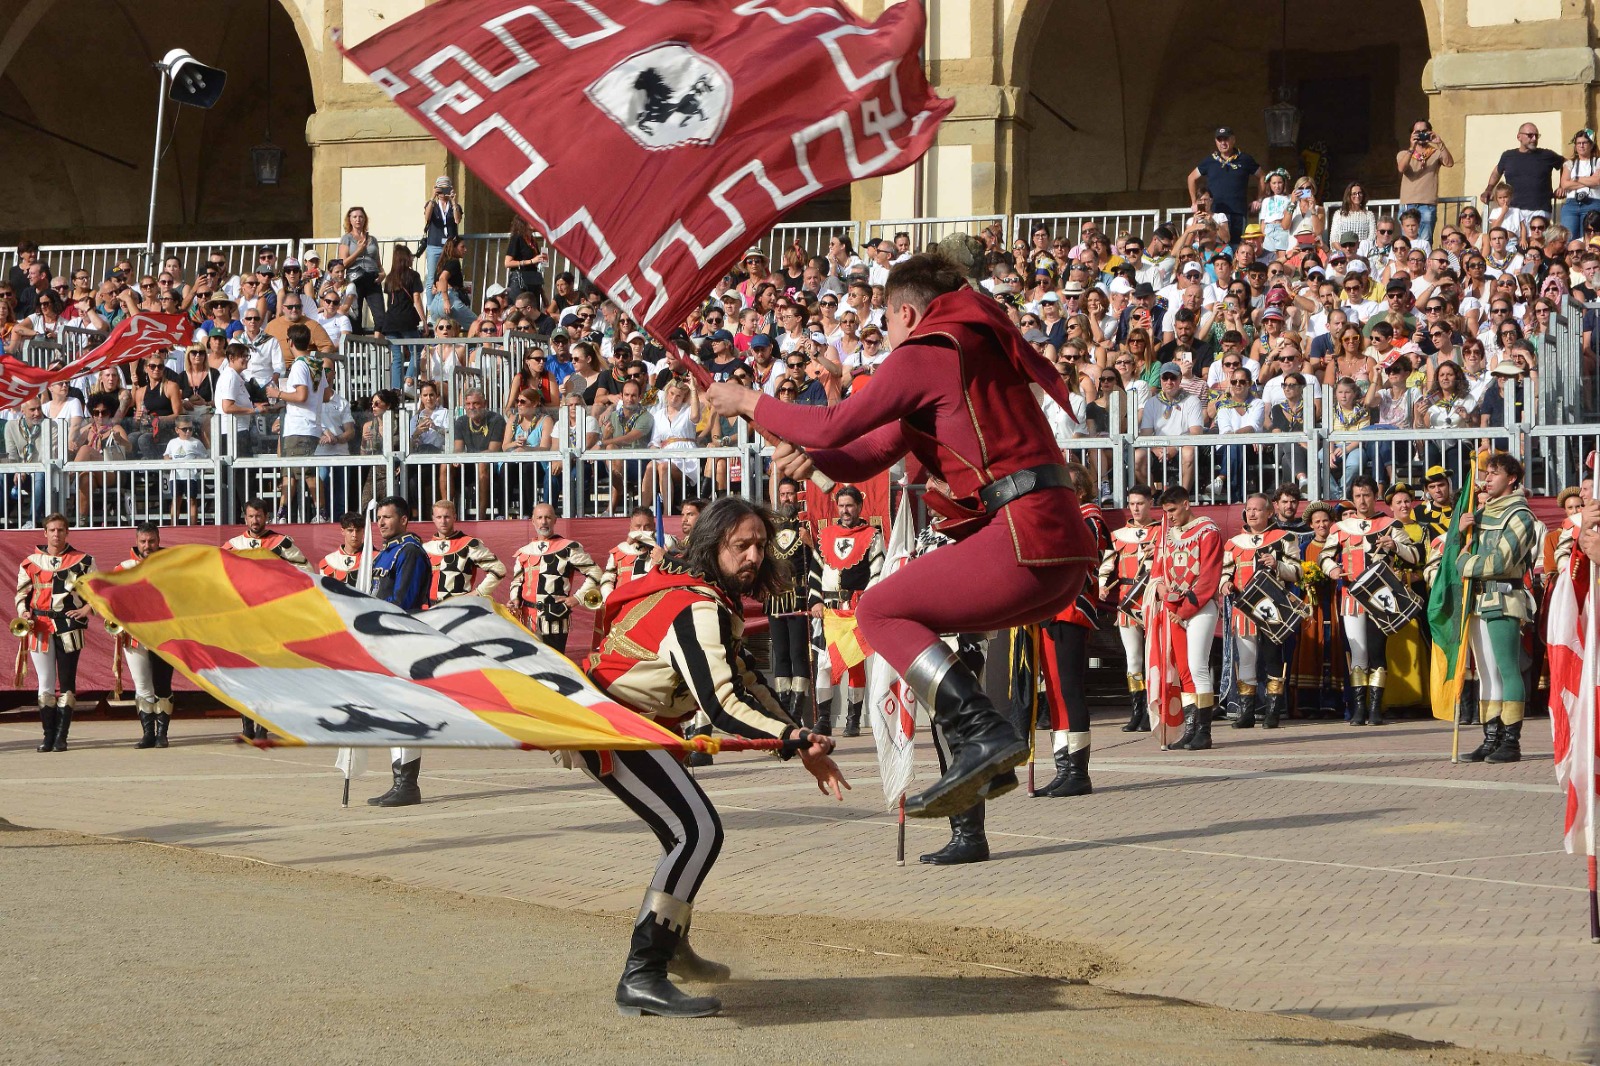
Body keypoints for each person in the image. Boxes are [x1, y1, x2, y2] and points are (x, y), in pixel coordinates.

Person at [705, 250, 1094, 818]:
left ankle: (983, 734)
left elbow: (837, 423)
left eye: (886, 321)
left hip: (1021, 534)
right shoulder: (963, 354)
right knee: (924, 633)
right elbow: (858, 457)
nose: (887, 335)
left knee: (878, 612)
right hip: (1053, 544)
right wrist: (807, 457)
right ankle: (977, 771)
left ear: (906, 315)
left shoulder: (928, 350)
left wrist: (748, 399)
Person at [583, 497, 846, 1017]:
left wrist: (798, 739)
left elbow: (750, 683)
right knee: (698, 833)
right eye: (740, 545)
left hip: (638, 727)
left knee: (687, 837)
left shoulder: (709, 599)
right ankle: (643, 974)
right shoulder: (698, 608)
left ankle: (668, 946)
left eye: (760, 546)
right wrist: (793, 740)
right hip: (617, 728)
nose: (753, 555)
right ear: (712, 546)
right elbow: (723, 707)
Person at [1318, 476, 1422, 726]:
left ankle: (1375, 709)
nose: (1362, 501)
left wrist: (1395, 545)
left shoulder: (1390, 524)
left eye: (1366, 495)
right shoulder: (1340, 528)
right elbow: (1324, 556)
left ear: (1375, 495)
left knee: (1376, 651)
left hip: (1380, 599)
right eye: (1357, 496)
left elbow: (1416, 556)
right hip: (1350, 597)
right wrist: (1331, 569)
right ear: (1352, 499)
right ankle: (1359, 708)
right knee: (1358, 653)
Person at [1458, 453, 1539, 763]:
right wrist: (1463, 530)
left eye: (1493, 473)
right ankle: (1490, 738)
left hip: (1504, 598)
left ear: (1512, 478)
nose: (1486, 478)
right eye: (1485, 473)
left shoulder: (1520, 515)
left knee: (1507, 670)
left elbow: (1501, 562)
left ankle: (1511, 741)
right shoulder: (1480, 513)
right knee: (1487, 675)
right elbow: (1462, 550)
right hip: (1478, 600)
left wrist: (1465, 563)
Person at [1036, 463, 1110, 796]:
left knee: (1070, 690)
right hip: (1052, 611)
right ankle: (1063, 766)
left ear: (1077, 490)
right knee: (1054, 694)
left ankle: (1079, 772)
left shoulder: (1090, 517)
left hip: (1072, 610)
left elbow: (1080, 556)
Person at [366, 496, 433, 807]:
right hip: (384, 641)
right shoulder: (386, 553)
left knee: (406, 712)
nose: (381, 522)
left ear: (404, 520)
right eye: (379, 517)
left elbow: (402, 601)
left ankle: (407, 784)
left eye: (387, 517)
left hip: (402, 640)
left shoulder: (410, 552)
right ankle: (398, 782)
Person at [1147, 485, 1223, 749]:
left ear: (1186, 504)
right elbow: (1157, 569)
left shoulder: (1208, 530)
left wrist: (1185, 610)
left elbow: (1209, 576)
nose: (1169, 516)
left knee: (1198, 666)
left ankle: (1204, 731)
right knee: (1184, 670)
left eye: (1173, 510)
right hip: (1174, 608)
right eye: (1165, 511)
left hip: (1199, 608)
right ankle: (1191, 729)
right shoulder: (1166, 535)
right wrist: (1159, 588)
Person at [1220, 494, 1303, 729]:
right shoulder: (1234, 543)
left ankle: (1273, 711)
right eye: (1249, 509)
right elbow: (1226, 573)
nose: (1252, 513)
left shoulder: (1284, 538)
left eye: (1257, 509)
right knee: (1245, 661)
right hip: (1244, 610)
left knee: (1273, 659)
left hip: (1272, 609)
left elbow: (1297, 572)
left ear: (1269, 513)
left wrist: (1277, 565)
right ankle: (1246, 713)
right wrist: (1225, 584)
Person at [14, 514, 94, 753]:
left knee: (67, 682)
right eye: (52, 530)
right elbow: (20, 595)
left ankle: (62, 736)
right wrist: (24, 613)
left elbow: (97, 592)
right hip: (39, 627)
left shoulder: (83, 561)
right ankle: (48, 736)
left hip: (69, 627)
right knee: (45, 684)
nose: (56, 534)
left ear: (67, 532)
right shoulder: (30, 562)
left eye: (60, 530)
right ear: (44, 533)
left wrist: (86, 609)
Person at [809, 485, 884, 737]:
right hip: (827, 611)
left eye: (849, 505)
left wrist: (866, 603)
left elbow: (877, 572)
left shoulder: (872, 535)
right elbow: (814, 573)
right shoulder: (825, 535)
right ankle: (824, 719)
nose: (845, 511)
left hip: (854, 609)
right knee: (823, 665)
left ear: (859, 507)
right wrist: (815, 602)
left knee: (854, 663)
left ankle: (854, 718)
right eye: (841, 506)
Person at [1098, 484, 1158, 732]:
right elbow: (1106, 566)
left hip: (1154, 601)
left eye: (1140, 503)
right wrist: (1102, 585)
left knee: (1153, 658)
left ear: (1150, 504)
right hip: (1127, 602)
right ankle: (1137, 712)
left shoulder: (1161, 533)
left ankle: (1153, 712)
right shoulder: (1118, 535)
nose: (1135, 508)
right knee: (1133, 659)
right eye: (1132, 504)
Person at [507, 503, 603, 656]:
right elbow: (517, 581)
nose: (543, 522)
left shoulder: (568, 548)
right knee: (528, 665)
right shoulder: (524, 551)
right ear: (532, 521)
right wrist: (514, 599)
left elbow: (596, 573)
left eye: (547, 517)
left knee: (553, 665)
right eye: (539, 518)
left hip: (554, 618)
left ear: (555, 520)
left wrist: (577, 598)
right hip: (526, 618)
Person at [764, 479, 819, 727]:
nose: (786, 498)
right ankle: (784, 710)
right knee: (781, 654)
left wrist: (811, 543)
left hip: (798, 596)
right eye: (783, 494)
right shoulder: (770, 527)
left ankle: (797, 712)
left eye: (790, 494)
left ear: (798, 496)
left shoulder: (807, 525)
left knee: (798, 653)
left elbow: (821, 559)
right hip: (775, 598)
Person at [116, 523, 176, 749]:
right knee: (142, 686)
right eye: (143, 541)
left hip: (163, 635)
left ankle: (163, 734)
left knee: (162, 685)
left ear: (158, 540)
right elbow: (110, 597)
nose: (147, 546)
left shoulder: (172, 564)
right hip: (134, 636)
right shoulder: (124, 568)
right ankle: (148, 734)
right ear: (136, 541)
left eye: (151, 541)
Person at [420, 498, 506, 606]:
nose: (443, 521)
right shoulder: (425, 548)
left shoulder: (468, 544)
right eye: (439, 517)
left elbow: (499, 569)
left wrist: (478, 593)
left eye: (447, 517)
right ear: (433, 519)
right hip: (427, 612)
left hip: (457, 610)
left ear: (454, 517)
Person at [1188, 127, 1262, 248]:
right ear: (1216, 142)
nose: (1223, 143)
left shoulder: (1245, 159)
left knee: (1238, 247)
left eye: (1226, 139)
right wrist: (1194, 202)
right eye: (1219, 139)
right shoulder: (1209, 160)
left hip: (1238, 212)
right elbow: (1191, 178)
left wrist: (1259, 199)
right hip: (1216, 213)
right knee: (1217, 246)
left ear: (1233, 140)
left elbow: (1262, 177)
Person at [1481, 123, 1565, 221]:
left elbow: (1566, 164)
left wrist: (1562, 186)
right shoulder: (1508, 156)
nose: (1534, 139)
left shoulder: (1546, 155)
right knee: (1511, 237)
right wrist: (1488, 189)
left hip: (1540, 209)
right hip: (1512, 210)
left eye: (1536, 136)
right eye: (1530, 135)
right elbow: (1497, 171)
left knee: (1537, 237)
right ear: (1519, 137)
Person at [1397, 121, 1454, 244]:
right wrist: (1412, 148)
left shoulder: (1436, 153)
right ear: (1411, 134)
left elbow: (1449, 163)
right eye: (1417, 132)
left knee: (1425, 241)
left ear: (1430, 132)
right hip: (1408, 203)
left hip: (1427, 204)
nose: (1421, 135)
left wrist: (1440, 143)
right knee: (1407, 242)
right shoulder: (1403, 154)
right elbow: (1401, 168)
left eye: (1424, 131)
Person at [318, 512, 367, 587]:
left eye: (358, 530)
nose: (354, 535)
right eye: (350, 530)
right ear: (342, 531)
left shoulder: (374, 558)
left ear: (363, 531)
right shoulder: (330, 561)